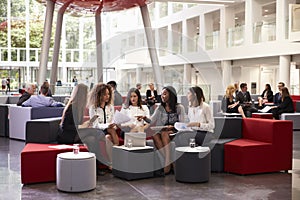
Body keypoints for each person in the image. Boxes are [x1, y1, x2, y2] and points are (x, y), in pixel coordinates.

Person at [57, 83, 107, 175]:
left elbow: (77, 125)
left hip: (74, 133)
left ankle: (95, 168)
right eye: (87, 93)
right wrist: (81, 126)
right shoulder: (72, 107)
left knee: (92, 139)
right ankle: (102, 159)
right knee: (94, 132)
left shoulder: (79, 107)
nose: (88, 95)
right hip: (66, 136)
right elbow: (65, 127)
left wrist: (85, 124)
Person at [146, 86, 185, 174]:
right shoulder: (160, 108)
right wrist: (144, 118)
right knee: (155, 135)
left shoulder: (179, 107)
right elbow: (151, 120)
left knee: (164, 134)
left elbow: (182, 124)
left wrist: (173, 127)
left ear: (171, 95)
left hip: (175, 132)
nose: (162, 96)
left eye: (164, 94)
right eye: (162, 94)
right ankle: (169, 161)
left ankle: (167, 164)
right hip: (163, 131)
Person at [88, 83, 119, 169]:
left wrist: (112, 124)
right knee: (110, 132)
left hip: (109, 130)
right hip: (98, 130)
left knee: (108, 136)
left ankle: (111, 163)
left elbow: (112, 119)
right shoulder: (93, 108)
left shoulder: (110, 106)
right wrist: (107, 125)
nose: (107, 96)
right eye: (105, 94)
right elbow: (95, 125)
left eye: (108, 94)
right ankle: (117, 153)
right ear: (99, 95)